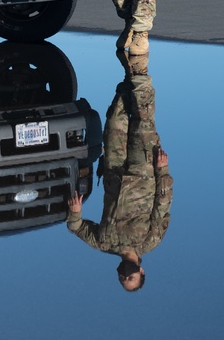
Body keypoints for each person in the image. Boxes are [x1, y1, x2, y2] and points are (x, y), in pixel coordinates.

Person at [66, 50, 172, 292]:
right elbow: (162, 207)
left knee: (116, 118)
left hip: (114, 170)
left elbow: (76, 228)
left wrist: (75, 213)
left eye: (123, 280)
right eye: (132, 279)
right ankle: (140, 72)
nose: (126, 277)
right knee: (143, 121)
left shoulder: (104, 243)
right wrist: (162, 171)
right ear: (141, 271)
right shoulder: (149, 242)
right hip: (143, 172)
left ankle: (129, 75)